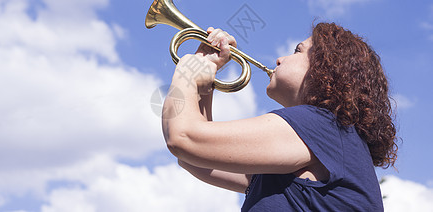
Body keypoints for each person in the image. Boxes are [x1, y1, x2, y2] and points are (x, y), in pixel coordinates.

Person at [162, 23, 398, 211]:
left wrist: (188, 73)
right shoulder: (327, 138)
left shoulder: (320, 124)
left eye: (298, 50)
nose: (279, 59)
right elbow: (196, 159)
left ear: (326, 68)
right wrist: (205, 76)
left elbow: (183, 138)